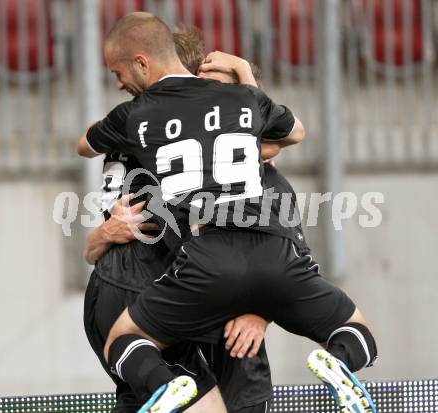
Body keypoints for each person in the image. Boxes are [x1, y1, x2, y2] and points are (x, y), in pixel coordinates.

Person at [78, 13, 377, 413]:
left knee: (139, 364)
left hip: (197, 271)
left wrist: (260, 313)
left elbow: (83, 146)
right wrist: (100, 236)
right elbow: (278, 141)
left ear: (143, 66)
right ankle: (340, 362)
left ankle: (166, 385)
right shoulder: (238, 131)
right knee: (349, 331)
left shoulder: (138, 122)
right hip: (173, 278)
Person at [83, 29, 273, 413]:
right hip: (149, 292)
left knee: (151, 399)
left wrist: (261, 313)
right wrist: (104, 233)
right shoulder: (163, 139)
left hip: (161, 292)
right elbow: (267, 145)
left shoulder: (144, 132)